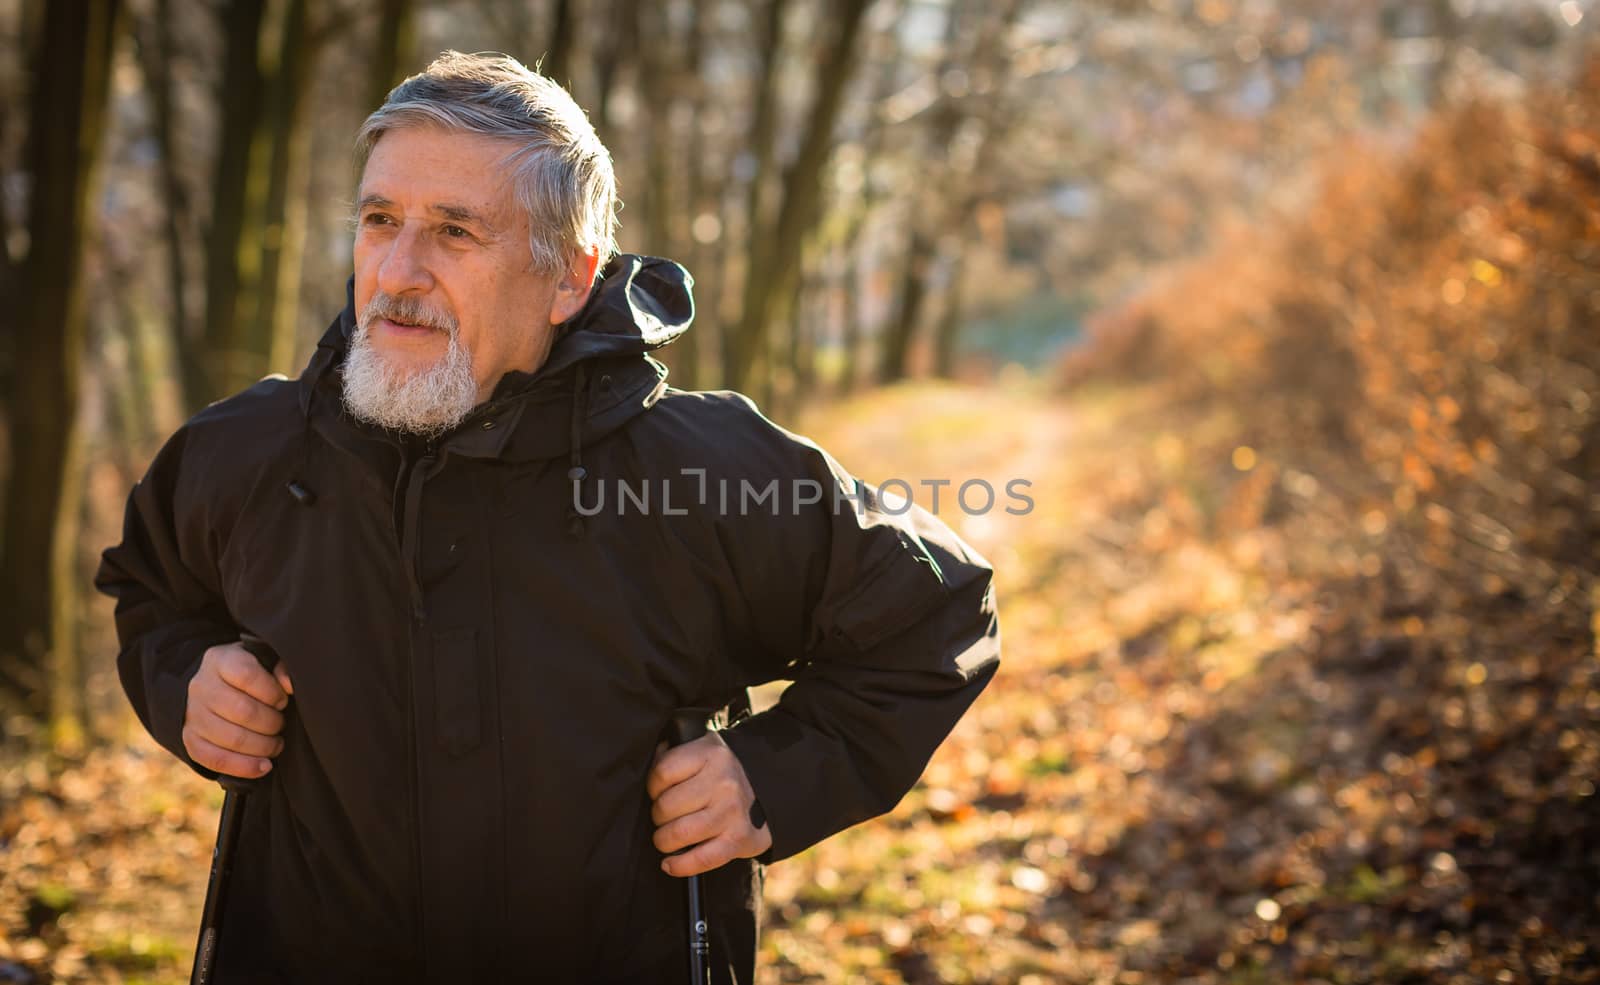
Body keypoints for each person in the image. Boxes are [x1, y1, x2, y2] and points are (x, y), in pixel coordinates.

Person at [96, 51, 999, 984]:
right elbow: (153, 593)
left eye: (455, 231)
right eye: (379, 221)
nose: (398, 271)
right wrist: (185, 684)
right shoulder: (243, 451)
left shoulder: (699, 470)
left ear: (569, 278)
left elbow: (938, 613)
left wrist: (772, 780)